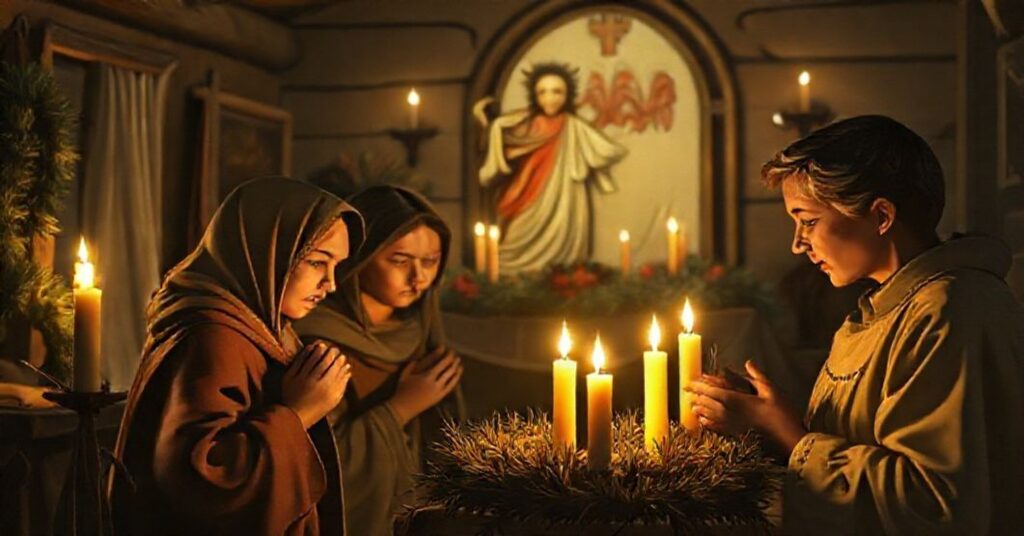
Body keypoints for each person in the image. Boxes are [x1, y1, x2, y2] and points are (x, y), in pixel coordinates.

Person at [687, 115, 1024, 534]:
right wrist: (766, 421)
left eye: (807, 220)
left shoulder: (948, 312)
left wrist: (789, 434)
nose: (797, 244)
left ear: (881, 215)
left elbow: (932, 503)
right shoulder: (884, 309)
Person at [110, 177, 364, 535]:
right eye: (318, 263)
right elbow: (202, 476)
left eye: (336, 266)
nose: (331, 284)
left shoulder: (264, 326)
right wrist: (300, 412)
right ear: (266, 251)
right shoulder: (215, 336)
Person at [294, 185, 463, 536]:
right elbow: (319, 463)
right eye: (400, 261)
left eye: (430, 262)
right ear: (359, 257)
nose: (418, 278)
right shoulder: (317, 339)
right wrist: (402, 406)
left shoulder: (421, 330)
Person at [476, 62, 627, 273]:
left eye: (557, 92)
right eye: (543, 92)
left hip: (565, 197)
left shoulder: (573, 125)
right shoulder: (527, 123)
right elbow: (504, 138)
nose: (550, 98)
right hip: (528, 191)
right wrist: (489, 124)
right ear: (534, 96)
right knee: (515, 239)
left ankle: (563, 277)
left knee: (565, 247)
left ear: (568, 95)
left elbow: (607, 150)